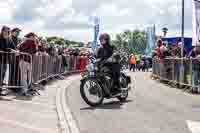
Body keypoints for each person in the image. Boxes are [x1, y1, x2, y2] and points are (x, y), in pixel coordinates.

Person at [0, 26, 16, 95]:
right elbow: (2, 48)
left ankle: (0, 88)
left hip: (5, 60)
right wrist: (10, 50)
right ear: (2, 31)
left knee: (2, 75)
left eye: (8, 31)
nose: (7, 32)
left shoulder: (9, 39)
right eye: (6, 31)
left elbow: (13, 47)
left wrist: (16, 50)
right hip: (0, 59)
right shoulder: (0, 38)